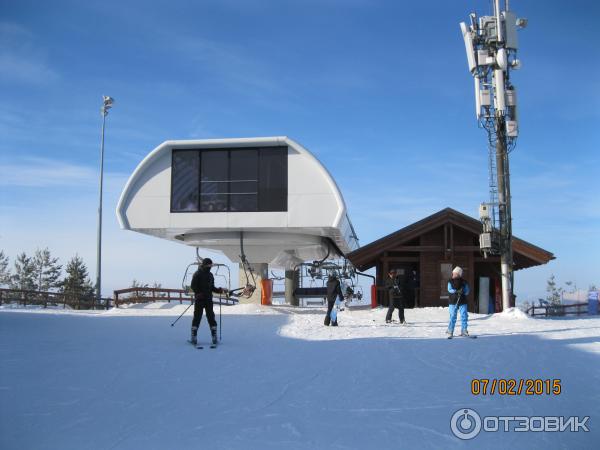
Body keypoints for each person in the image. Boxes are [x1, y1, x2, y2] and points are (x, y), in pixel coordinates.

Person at [190, 258, 228, 345]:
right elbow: (193, 286)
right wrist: (198, 293)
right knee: (197, 317)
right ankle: (194, 337)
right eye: (209, 265)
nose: (210, 267)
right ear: (204, 265)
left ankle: (214, 336)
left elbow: (212, 288)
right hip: (199, 300)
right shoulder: (197, 273)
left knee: (211, 317)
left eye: (211, 265)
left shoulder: (210, 275)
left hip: (208, 300)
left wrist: (219, 290)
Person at [447, 266, 471, 337]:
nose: (453, 274)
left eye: (455, 273)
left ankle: (464, 330)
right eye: (453, 273)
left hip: (462, 301)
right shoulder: (450, 281)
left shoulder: (464, 282)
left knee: (464, 316)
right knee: (453, 316)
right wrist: (456, 291)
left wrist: (463, 291)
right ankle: (450, 330)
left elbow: (467, 291)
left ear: (459, 274)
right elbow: (449, 289)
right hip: (453, 301)